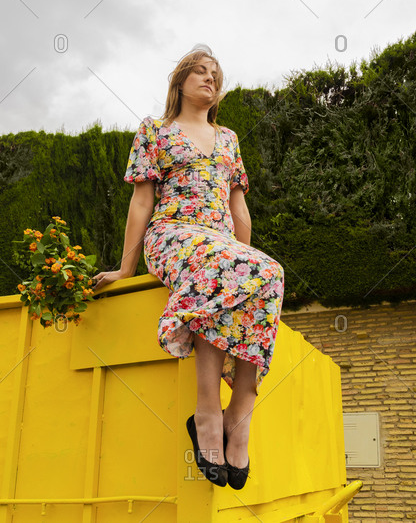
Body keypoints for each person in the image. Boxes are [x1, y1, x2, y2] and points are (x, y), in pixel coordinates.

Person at [92, 45, 285, 489]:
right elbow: (141, 201)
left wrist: (245, 267)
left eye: (215, 75)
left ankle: (240, 409)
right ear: (179, 81)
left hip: (218, 243)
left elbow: (240, 211)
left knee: (269, 272)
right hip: (172, 235)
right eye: (200, 71)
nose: (209, 79)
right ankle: (206, 409)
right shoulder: (155, 131)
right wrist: (125, 268)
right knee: (221, 263)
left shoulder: (230, 138)